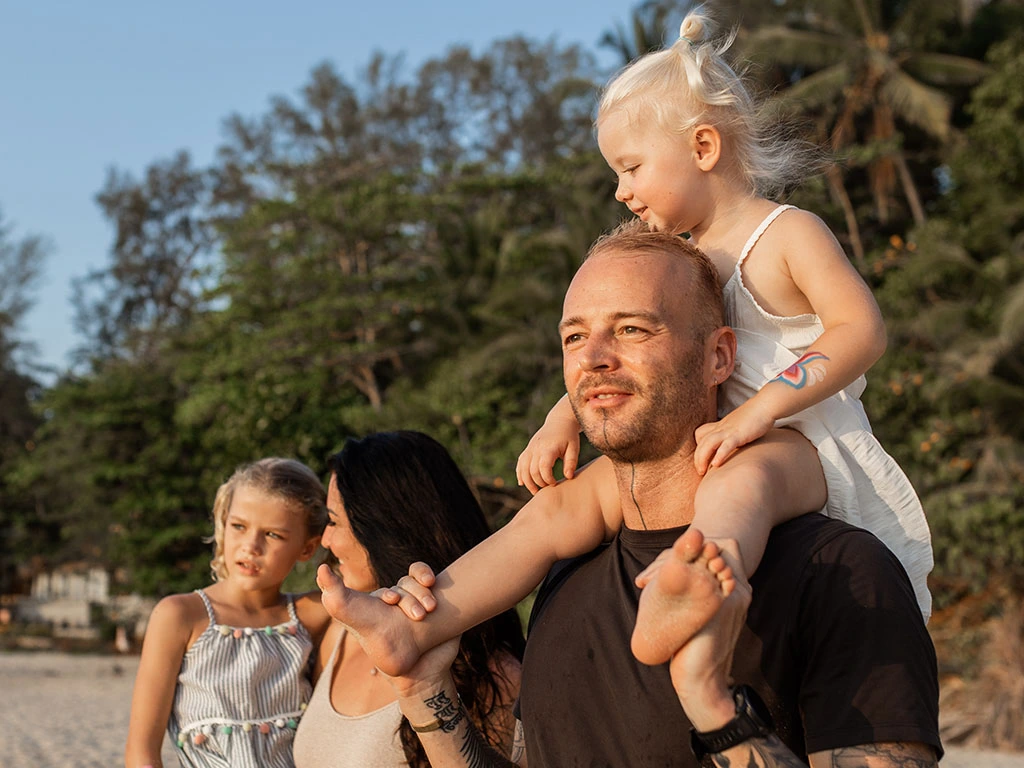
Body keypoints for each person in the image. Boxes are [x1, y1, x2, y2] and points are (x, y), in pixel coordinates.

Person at [307, 6, 934, 682]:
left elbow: (860, 330)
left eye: (632, 167)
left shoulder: (785, 233)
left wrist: (761, 412)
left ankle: (693, 578)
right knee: (558, 508)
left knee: (741, 482)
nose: (620, 189)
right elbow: (620, 352)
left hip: (799, 442)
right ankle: (417, 621)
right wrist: (561, 417)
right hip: (694, 445)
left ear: (702, 149)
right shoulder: (677, 258)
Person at [318, 223, 941, 766]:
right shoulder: (566, 573)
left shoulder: (841, 573)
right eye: (573, 338)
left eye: (633, 329)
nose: (593, 358)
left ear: (719, 355)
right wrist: (424, 688)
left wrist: (713, 705)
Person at [292, 430, 524, 768]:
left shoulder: (494, 676)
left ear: (385, 529)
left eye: (334, 522)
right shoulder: (337, 635)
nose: (325, 539)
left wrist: (424, 687)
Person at [125, 458, 331, 768]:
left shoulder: (310, 615)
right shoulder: (181, 616)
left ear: (307, 548)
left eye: (273, 535)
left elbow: (375, 592)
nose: (250, 546)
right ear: (223, 522)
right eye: (239, 526)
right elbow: (142, 753)